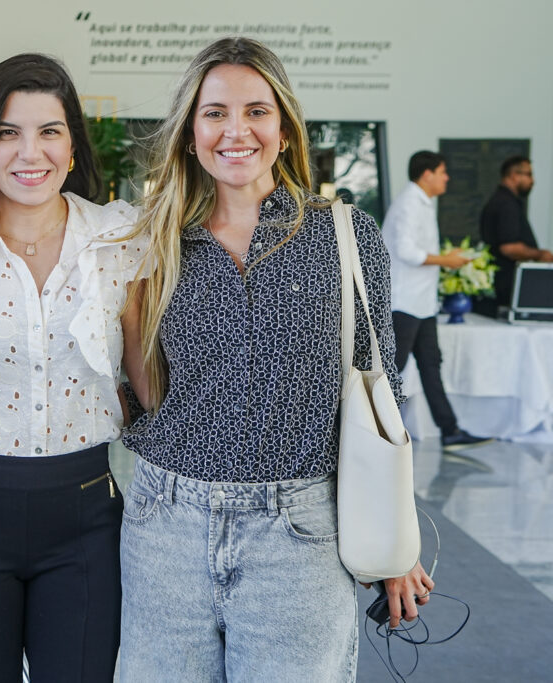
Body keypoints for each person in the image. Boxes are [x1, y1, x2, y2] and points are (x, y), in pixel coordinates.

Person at [118, 37, 433, 682]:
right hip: (166, 523)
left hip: (300, 531)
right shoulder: (153, 242)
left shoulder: (343, 233)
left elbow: (381, 388)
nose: (237, 130)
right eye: (215, 113)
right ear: (189, 132)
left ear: (284, 131)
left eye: (257, 112)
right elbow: (145, 389)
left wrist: (397, 538)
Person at [0, 53, 145, 683]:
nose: (28, 152)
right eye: (8, 132)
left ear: (72, 148)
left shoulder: (121, 240)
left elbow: (149, 381)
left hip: (86, 514)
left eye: (49, 131)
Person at [383, 151, 491, 450]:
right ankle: (371, 432)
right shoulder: (408, 204)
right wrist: (447, 260)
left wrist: (445, 260)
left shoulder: (424, 203)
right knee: (393, 368)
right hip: (404, 303)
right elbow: (406, 252)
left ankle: (450, 430)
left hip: (422, 304)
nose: (447, 178)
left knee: (431, 364)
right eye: (443, 172)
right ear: (426, 174)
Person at [480, 155, 553, 311]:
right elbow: (509, 247)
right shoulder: (506, 204)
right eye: (529, 174)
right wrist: (540, 255)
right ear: (514, 175)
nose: (532, 181)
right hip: (508, 287)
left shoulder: (503, 201)